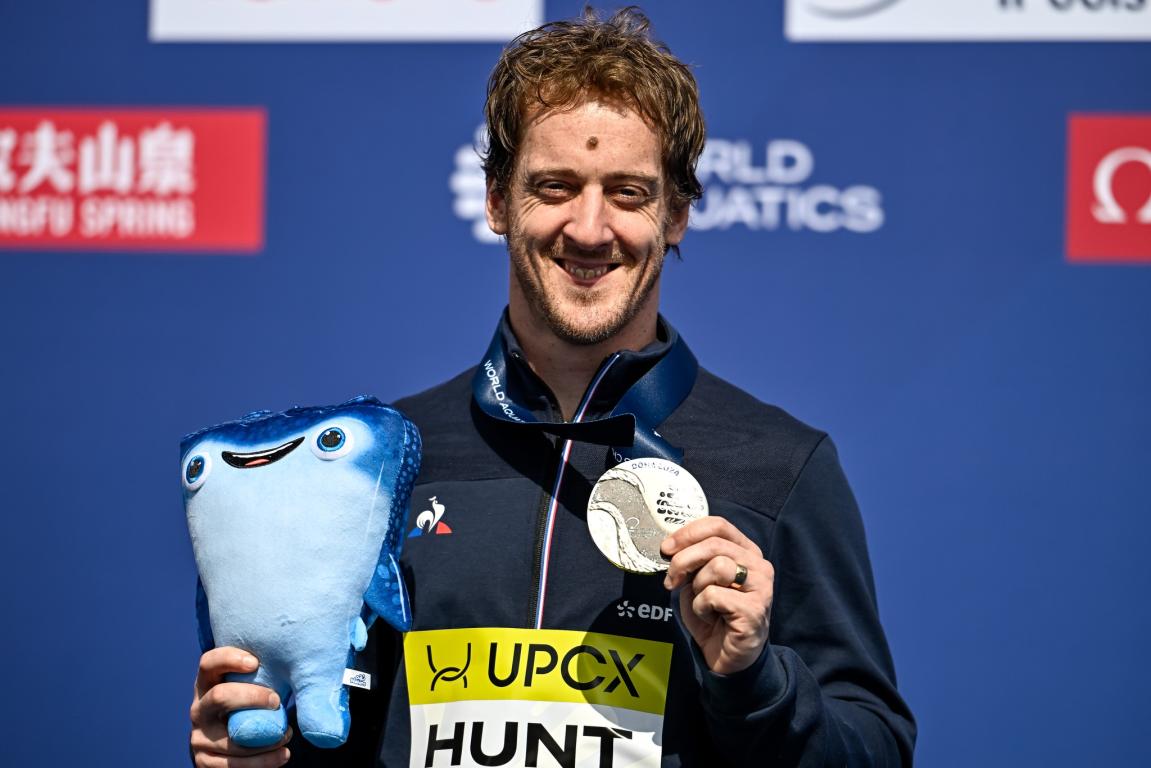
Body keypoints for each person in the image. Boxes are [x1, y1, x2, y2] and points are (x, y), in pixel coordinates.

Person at [189, 7, 915, 767]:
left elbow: (873, 752)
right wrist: (254, 751)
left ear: (677, 215)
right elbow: (333, 736)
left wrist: (754, 676)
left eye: (628, 193)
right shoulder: (385, 461)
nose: (590, 229)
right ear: (498, 201)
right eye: (556, 186)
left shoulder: (779, 466)